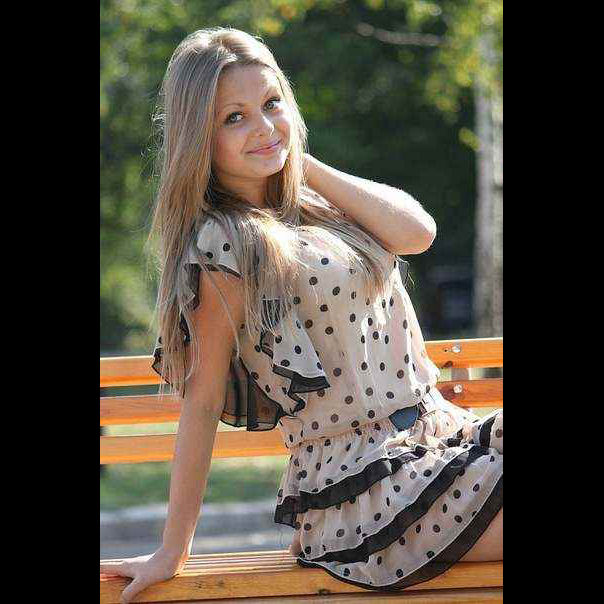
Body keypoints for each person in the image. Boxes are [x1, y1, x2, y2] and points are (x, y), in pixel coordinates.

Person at [99, 26, 502, 603]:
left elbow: (417, 233)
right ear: (199, 137)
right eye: (234, 118)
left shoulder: (315, 205)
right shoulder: (224, 242)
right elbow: (203, 400)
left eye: (272, 104)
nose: (263, 127)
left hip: (440, 442)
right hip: (367, 488)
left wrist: (298, 163)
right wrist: (172, 550)